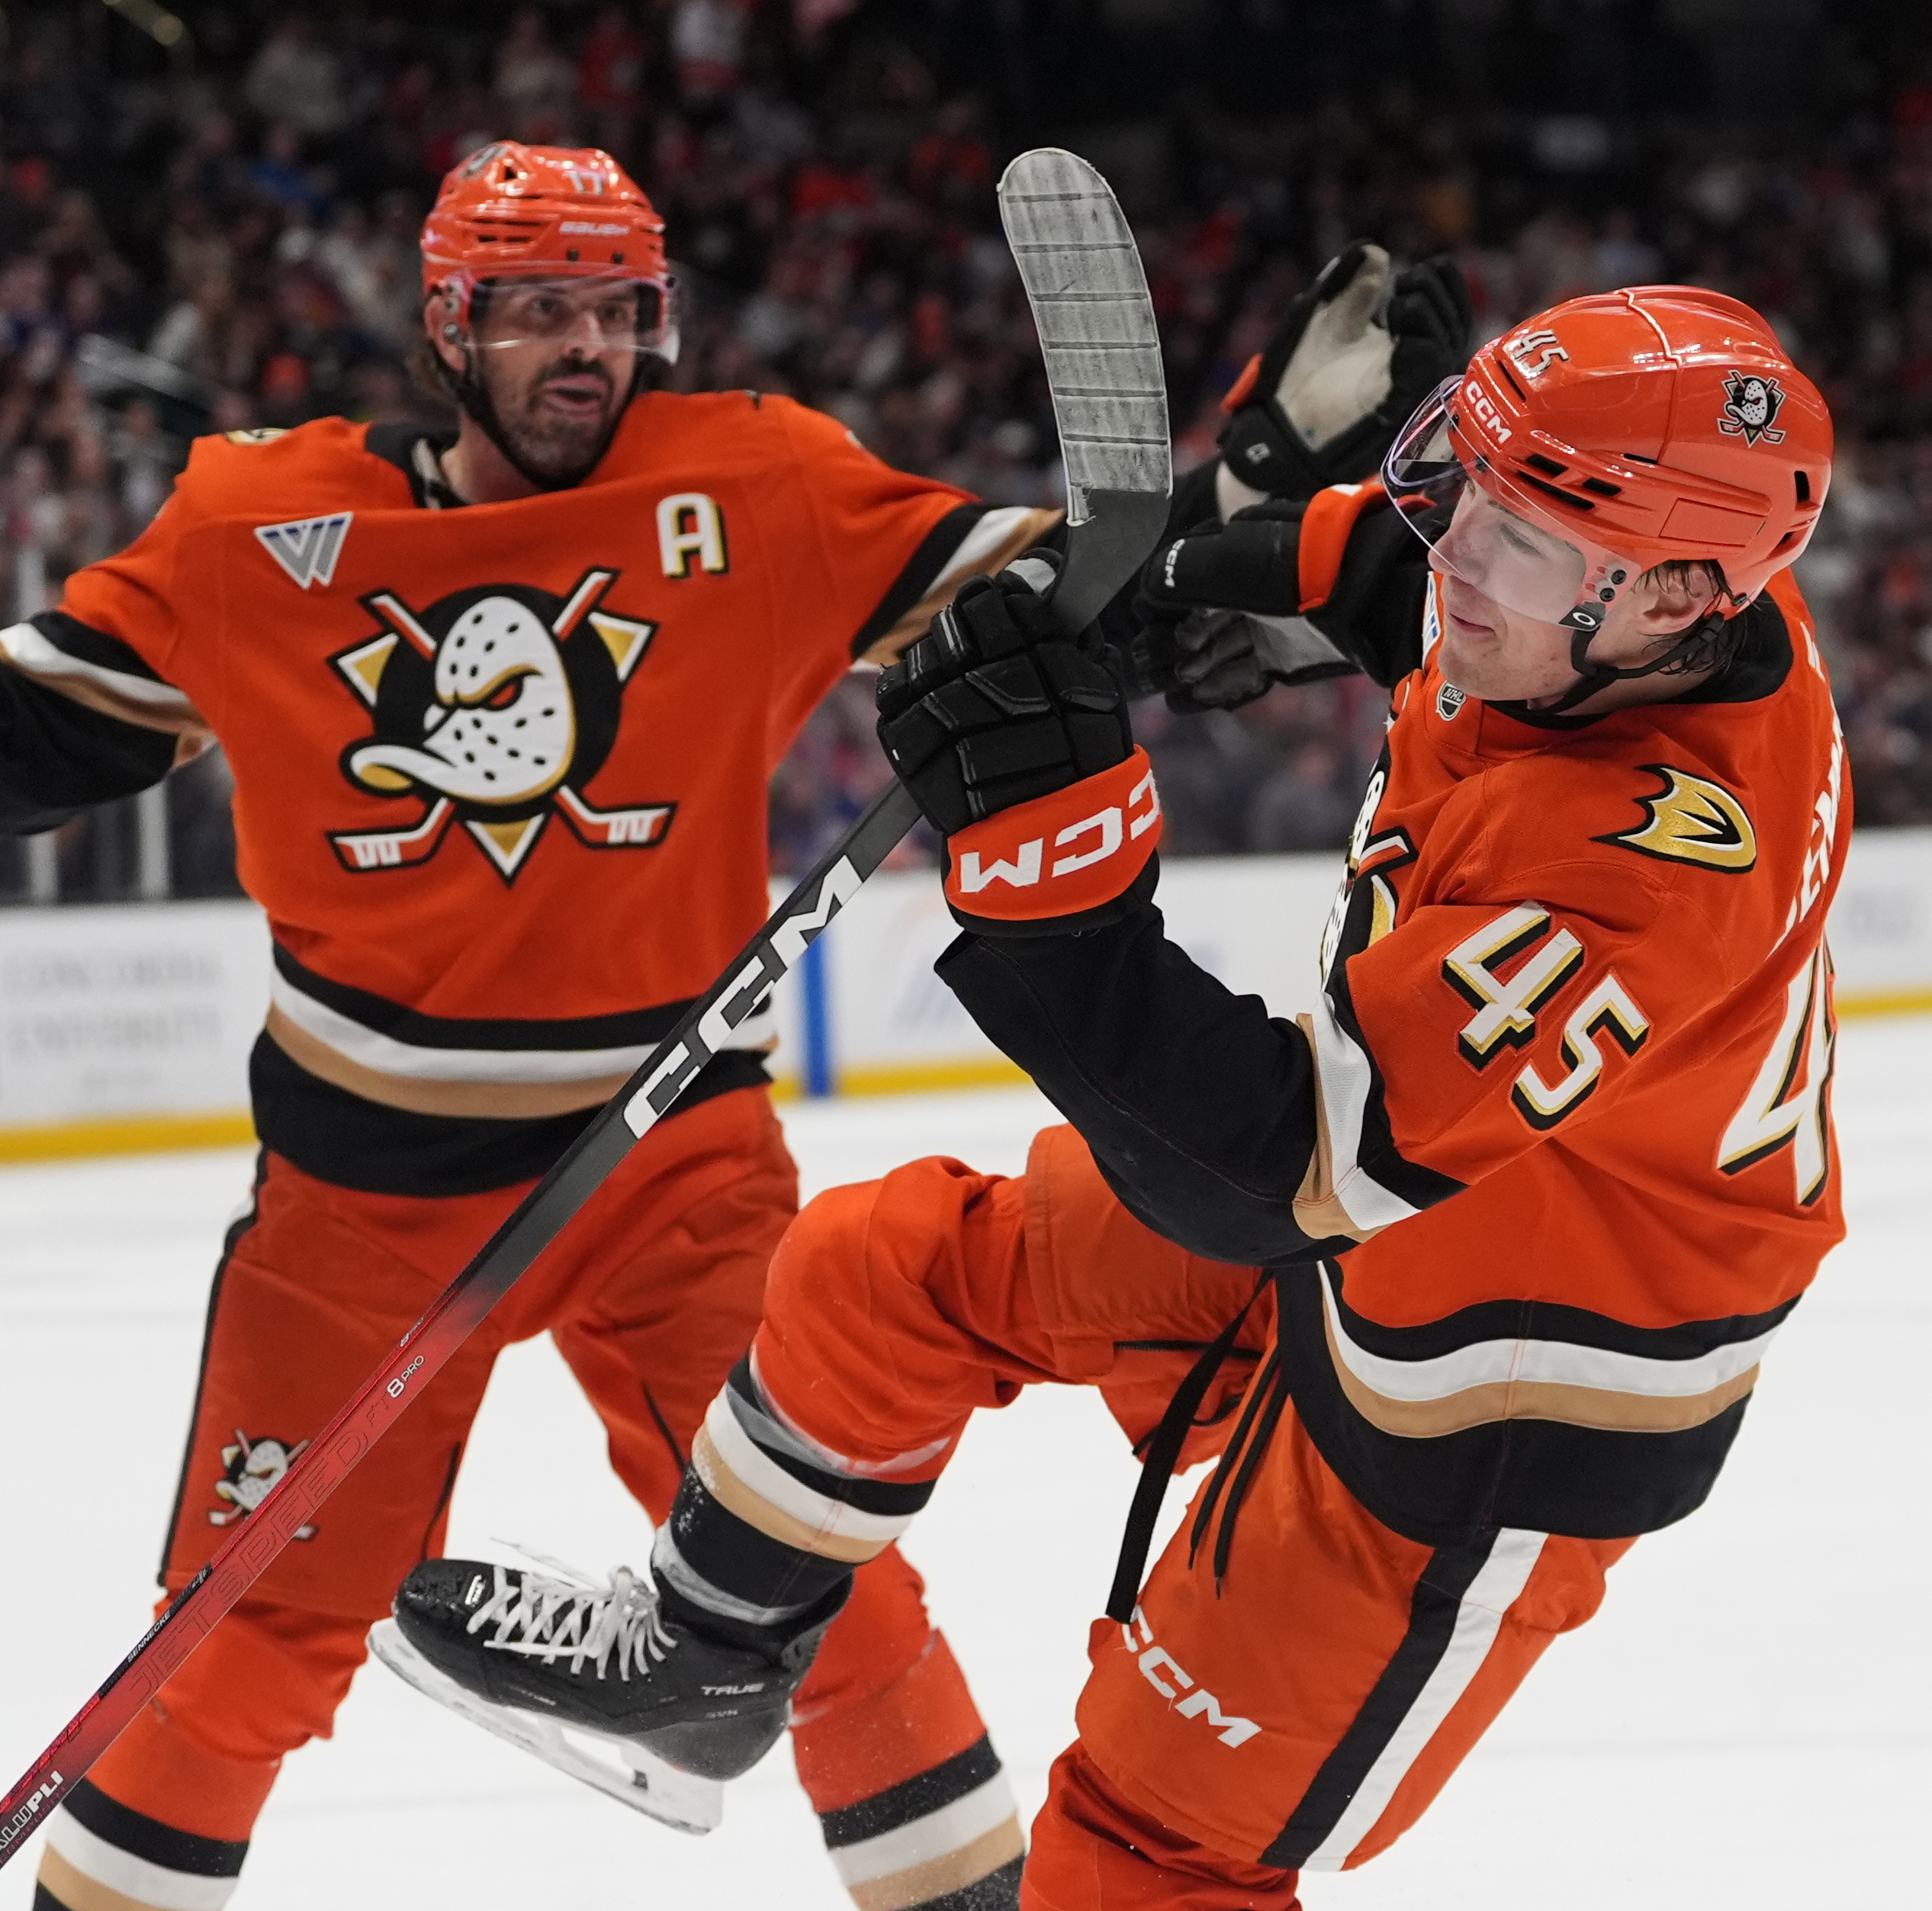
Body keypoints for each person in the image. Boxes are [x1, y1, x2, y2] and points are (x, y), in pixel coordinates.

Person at [0, 143, 1067, 1911]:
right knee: (240, 1639)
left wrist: (1268, 509)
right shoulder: (259, 527)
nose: (585, 348)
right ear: (446, 328)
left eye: (618, 311)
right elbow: (7, 744)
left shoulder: (757, 484)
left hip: (671, 1162)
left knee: (821, 1594)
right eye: (535, 311)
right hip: (362, 1203)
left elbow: (1064, 589)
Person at [381, 285, 1852, 1908]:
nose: (1455, 558)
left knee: (1145, 1855)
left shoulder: (1642, 865)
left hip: (1490, 1406)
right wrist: (1153, 590)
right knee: (890, 1268)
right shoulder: (1622, 610)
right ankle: (705, 1658)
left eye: (1516, 539)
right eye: (1466, 489)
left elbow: (1263, 1169)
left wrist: (1049, 868)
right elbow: (1378, 565)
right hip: (1392, 1232)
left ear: (1677, 594)